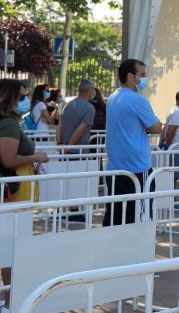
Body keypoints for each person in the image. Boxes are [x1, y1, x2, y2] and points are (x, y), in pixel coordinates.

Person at [0, 79, 50, 313]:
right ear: (8, 98)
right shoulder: (8, 123)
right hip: (13, 191)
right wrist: (37, 155)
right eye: (21, 96)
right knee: (12, 247)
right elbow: (9, 159)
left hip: (1, 191)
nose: (25, 100)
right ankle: (10, 304)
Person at [104, 59, 163, 226]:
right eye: (142, 75)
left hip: (115, 168)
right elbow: (156, 127)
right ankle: (136, 251)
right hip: (137, 167)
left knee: (116, 217)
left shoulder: (113, 98)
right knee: (140, 217)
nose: (145, 79)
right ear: (131, 76)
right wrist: (154, 123)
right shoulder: (138, 100)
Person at [57, 79, 96, 152]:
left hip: (64, 149)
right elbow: (80, 130)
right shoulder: (90, 108)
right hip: (79, 151)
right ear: (90, 91)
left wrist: (59, 144)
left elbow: (59, 126)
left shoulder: (67, 105)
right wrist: (68, 148)